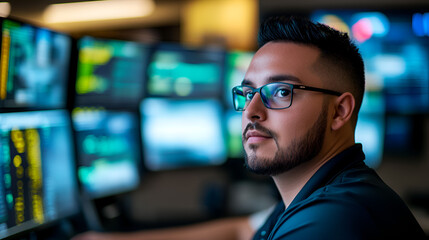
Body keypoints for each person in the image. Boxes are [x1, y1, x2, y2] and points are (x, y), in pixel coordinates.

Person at [73, 15, 426, 240]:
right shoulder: (320, 192)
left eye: (281, 91)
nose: (251, 111)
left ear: (340, 111)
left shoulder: (335, 221)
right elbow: (243, 230)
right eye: (247, 92)